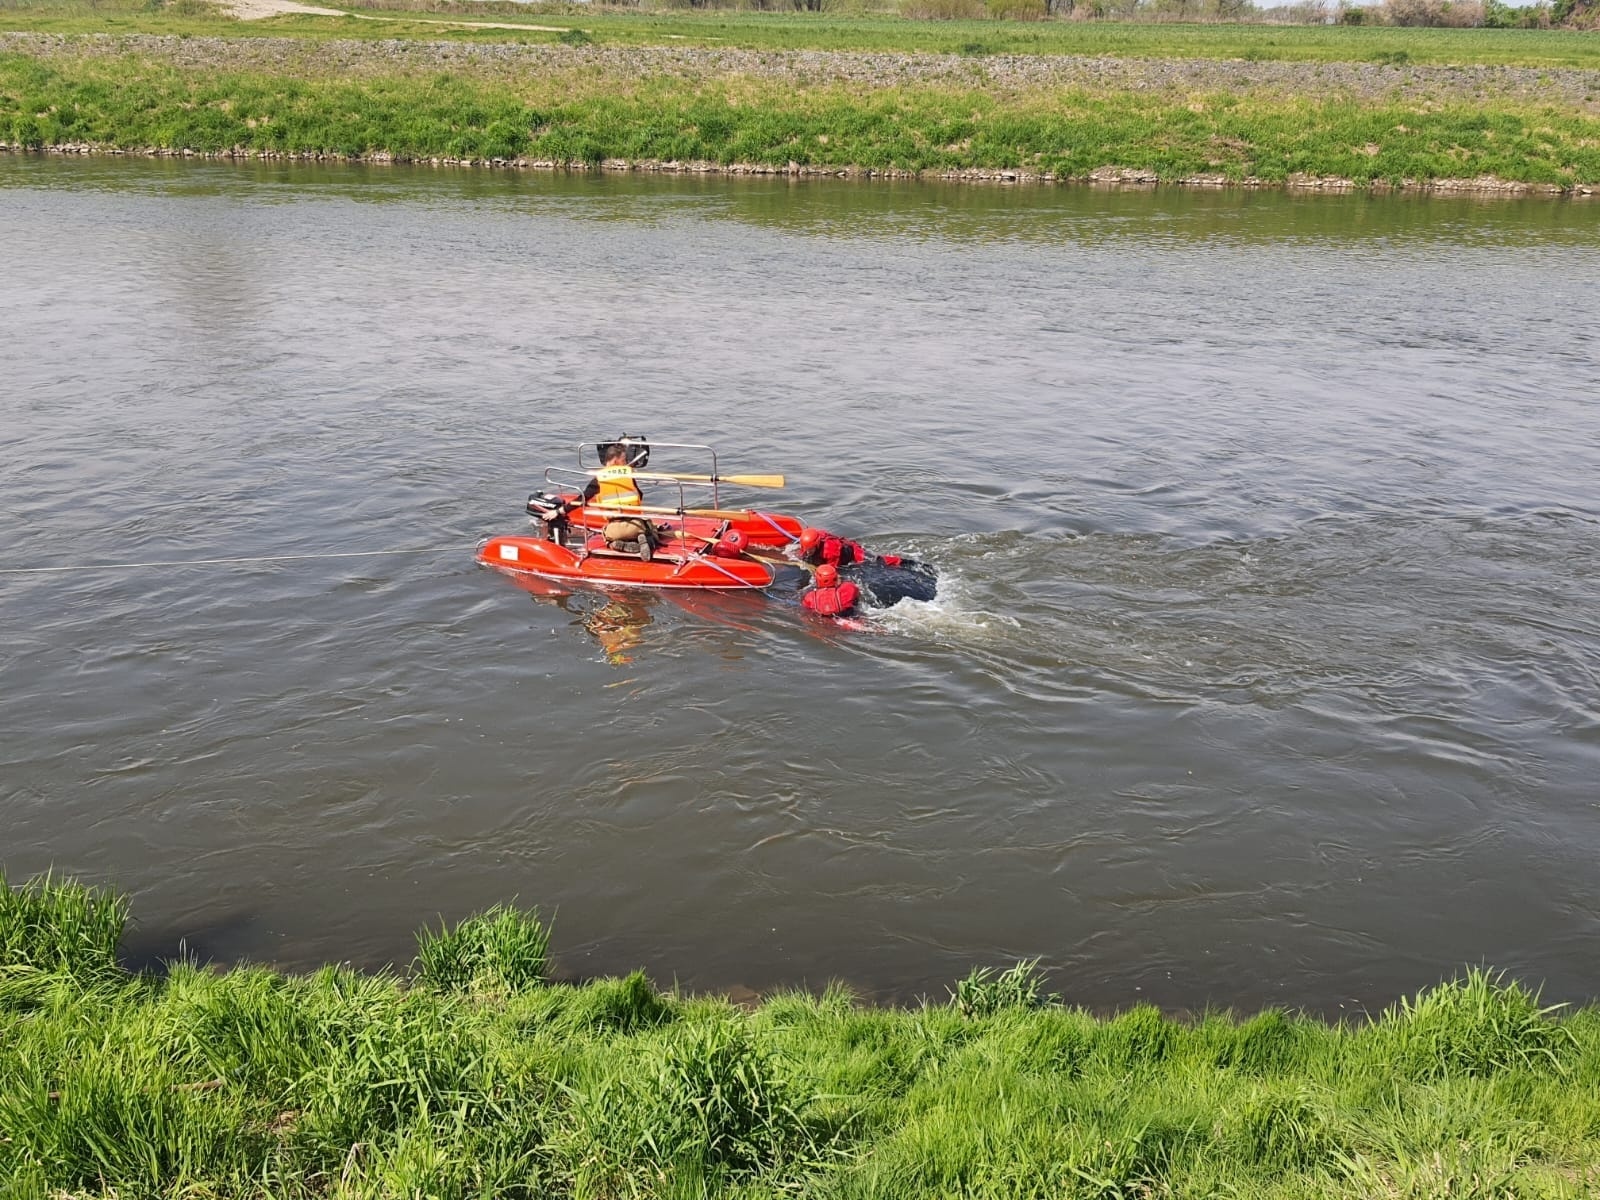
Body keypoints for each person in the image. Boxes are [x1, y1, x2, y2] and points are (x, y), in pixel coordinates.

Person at [571, 440, 657, 562]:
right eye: (623, 459)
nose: (625, 462)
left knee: (608, 538)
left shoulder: (599, 478)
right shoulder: (628, 474)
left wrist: (559, 511)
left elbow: (581, 499)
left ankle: (617, 544)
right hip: (637, 527)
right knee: (652, 531)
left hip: (614, 529)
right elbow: (640, 495)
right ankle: (644, 540)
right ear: (616, 460)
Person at [796, 527, 902, 570]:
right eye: (806, 549)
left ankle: (901, 562)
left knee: (877, 561)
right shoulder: (806, 543)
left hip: (853, 553)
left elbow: (833, 569)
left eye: (811, 549)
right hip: (839, 549)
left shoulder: (830, 550)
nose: (808, 551)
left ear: (817, 544)